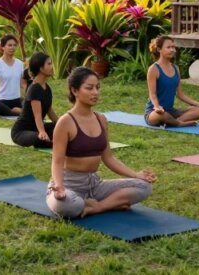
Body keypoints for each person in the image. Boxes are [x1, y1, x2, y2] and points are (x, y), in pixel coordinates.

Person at [48, 67, 155, 218]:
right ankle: (104, 203)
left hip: (94, 184)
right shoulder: (65, 122)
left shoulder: (101, 119)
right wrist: (59, 187)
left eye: (97, 88)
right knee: (67, 206)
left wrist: (136, 174)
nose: (95, 92)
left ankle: (98, 207)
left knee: (144, 187)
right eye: (89, 88)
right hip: (69, 185)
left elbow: (108, 158)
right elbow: (57, 161)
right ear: (74, 90)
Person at [145, 35, 199, 127]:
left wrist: (198, 103)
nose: (172, 50)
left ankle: (174, 121)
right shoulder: (153, 69)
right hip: (154, 112)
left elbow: (180, 94)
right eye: (168, 47)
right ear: (159, 49)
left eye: (173, 47)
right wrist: (156, 106)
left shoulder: (175, 68)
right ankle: (178, 123)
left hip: (171, 111)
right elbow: (153, 94)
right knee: (161, 115)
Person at [11, 52, 59, 149]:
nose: (52, 66)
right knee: (40, 138)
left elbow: (50, 111)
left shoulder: (47, 88)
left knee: (61, 128)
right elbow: (37, 116)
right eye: (49, 64)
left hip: (36, 128)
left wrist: (61, 124)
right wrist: (42, 132)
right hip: (21, 132)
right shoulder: (34, 89)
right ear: (41, 68)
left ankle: (52, 140)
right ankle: (50, 141)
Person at [0, 34, 24, 116]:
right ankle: (19, 112)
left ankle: (18, 111)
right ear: (3, 47)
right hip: (1, 101)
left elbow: (22, 84)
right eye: (9, 45)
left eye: (14, 45)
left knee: (31, 106)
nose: (12, 47)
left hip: (16, 100)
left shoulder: (20, 64)